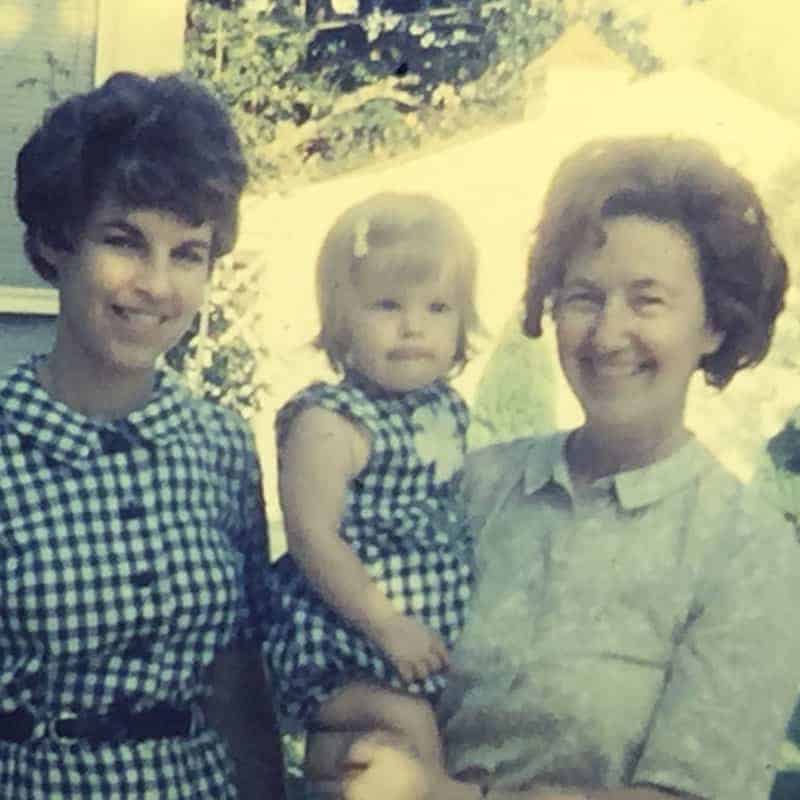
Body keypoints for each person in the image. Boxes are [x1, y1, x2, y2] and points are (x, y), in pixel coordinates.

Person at [305, 137, 800, 800]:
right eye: (584, 298)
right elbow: (349, 683)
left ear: (713, 324)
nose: (607, 333)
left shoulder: (746, 551)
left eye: (647, 301)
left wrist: (439, 795)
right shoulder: (473, 489)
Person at [1, 72, 285, 799]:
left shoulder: (220, 446)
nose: (156, 285)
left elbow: (239, 683)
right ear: (56, 244)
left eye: (188, 253)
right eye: (125, 242)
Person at [264, 193, 481, 767]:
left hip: (414, 650)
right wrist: (385, 625)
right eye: (388, 306)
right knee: (406, 726)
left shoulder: (447, 409)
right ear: (342, 319)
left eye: (438, 308)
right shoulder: (333, 421)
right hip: (343, 648)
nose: (414, 327)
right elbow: (313, 536)